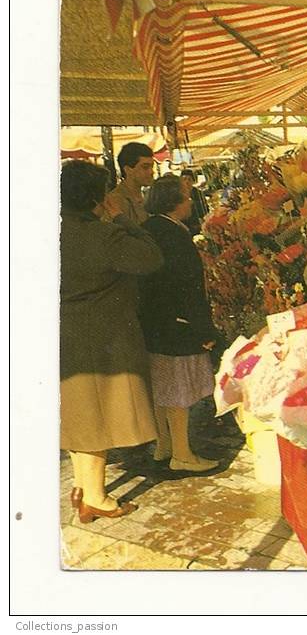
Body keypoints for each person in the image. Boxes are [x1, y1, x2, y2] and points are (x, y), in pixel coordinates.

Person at [60, 160, 164, 523]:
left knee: (76, 417)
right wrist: (120, 218)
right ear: (97, 198)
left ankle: (84, 487)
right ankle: (96, 498)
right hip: (101, 338)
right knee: (94, 421)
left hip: (62, 334)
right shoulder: (102, 235)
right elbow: (151, 258)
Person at [138, 176, 220, 473]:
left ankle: (164, 446)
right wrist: (204, 329)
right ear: (174, 203)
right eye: (186, 198)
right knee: (178, 391)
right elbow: (188, 288)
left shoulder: (148, 229)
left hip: (153, 324)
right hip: (177, 325)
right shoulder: (174, 235)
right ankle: (183, 454)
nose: (190, 202)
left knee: (161, 388)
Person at [105, 142, 156, 224]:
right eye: (145, 167)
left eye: (152, 166)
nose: (151, 172)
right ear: (128, 169)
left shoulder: (148, 197)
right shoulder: (116, 201)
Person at [179, 168, 210, 236]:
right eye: (184, 179)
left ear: (193, 182)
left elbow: (205, 210)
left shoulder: (198, 194)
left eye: (189, 179)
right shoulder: (178, 194)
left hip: (197, 226)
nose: (186, 182)